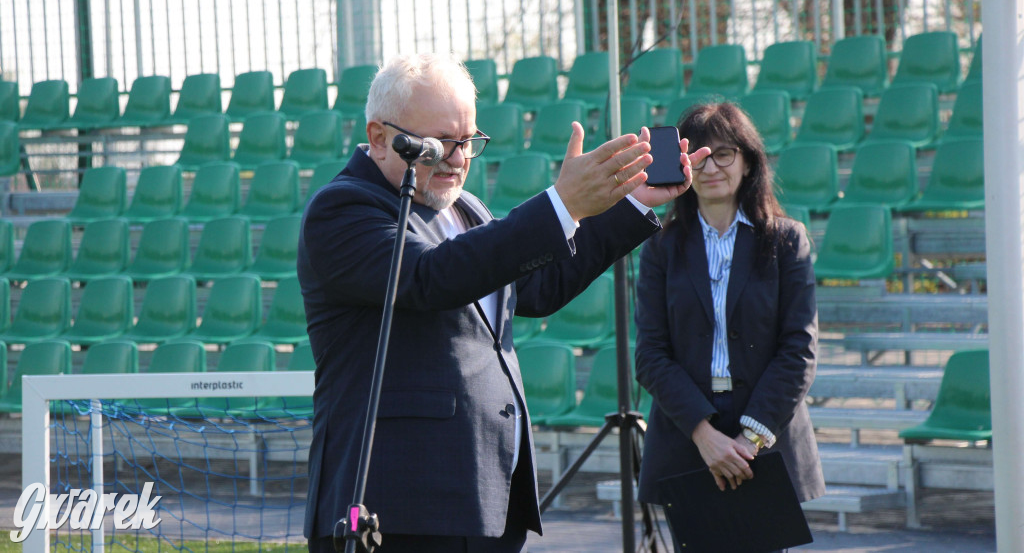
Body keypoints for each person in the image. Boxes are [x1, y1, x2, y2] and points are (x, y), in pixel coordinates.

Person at [298, 52, 708, 553]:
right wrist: (562, 204)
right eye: (439, 143)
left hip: (483, 496)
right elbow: (431, 277)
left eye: (468, 141)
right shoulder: (342, 209)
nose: (458, 158)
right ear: (380, 138)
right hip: (397, 504)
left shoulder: (467, 207)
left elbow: (535, 289)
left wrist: (633, 204)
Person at [634, 101, 825, 552]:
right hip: (689, 437)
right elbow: (651, 355)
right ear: (682, 163)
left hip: (762, 439)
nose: (711, 166)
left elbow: (799, 351)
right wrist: (706, 437)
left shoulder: (785, 239)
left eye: (724, 153)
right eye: (697, 155)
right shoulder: (662, 246)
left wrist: (746, 440)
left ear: (747, 161)